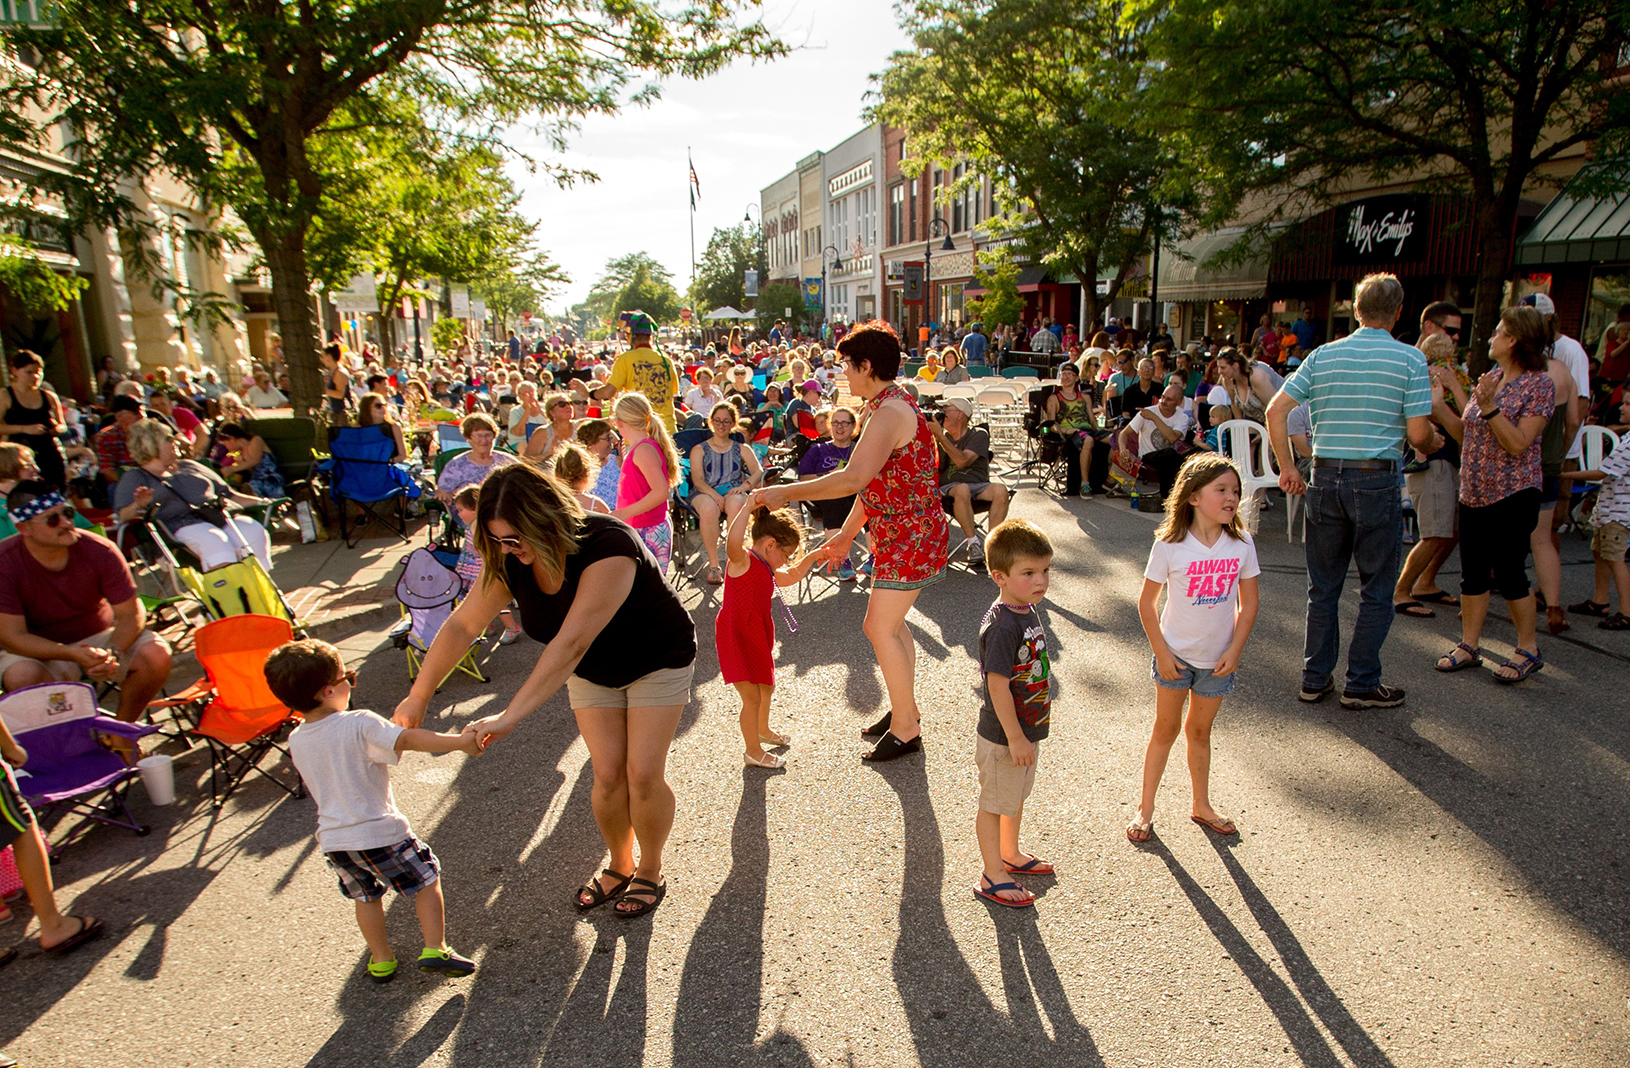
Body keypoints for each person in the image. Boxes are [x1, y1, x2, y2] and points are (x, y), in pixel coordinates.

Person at [395, 462, 698, 920]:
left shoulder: (608, 544)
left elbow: (571, 642)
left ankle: (651, 868)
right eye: (496, 540)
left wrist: (508, 716)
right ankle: (620, 863)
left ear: (545, 519)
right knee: (608, 773)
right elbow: (462, 624)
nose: (505, 550)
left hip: (656, 656)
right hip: (594, 668)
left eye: (514, 539)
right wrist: (419, 695)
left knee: (641, 773)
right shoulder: (509, 559)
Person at [756, 321, 949, 763]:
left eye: (847, 363)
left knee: (879, 627)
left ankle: (906, 727)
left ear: (866, 365)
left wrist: (787, 492)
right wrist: (844, 534)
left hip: (910, 535)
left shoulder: (889, 412)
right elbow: (876, 482)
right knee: (892, 626)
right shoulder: (885, 406)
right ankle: (907, 710)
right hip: (902, 533)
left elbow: (854, 478)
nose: (843, 371)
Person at [1267, 273, 1437, 709]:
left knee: (1322, 587)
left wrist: (1287, 467)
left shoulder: (1324, 355)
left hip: (1325, 474)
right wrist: (1433, 441)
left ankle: (1315, 676)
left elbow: (1277, 409)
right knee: (1376, 587)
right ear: (1398, 312)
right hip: (1376, 477)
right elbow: (1418, 435)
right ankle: (1361, 682)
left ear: (1356, 310)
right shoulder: (1410, 359)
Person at [266, 639, 479, 983]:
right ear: (328, 691)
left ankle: (381, 959)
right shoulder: (359, 722)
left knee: (366, 896)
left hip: (335, 841)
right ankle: (435, 948)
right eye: (347, 676)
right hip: (379, 831)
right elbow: (406, 741)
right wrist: (459, 742)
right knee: (426, 878)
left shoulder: (297, 739)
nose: (351, 682)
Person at [1128, 454, 1260, 844]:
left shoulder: (1241, 542)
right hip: (1175, 656)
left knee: (1200, 732)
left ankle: (1201, 805)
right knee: (1165, 730)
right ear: (1193, 497)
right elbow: (1146, 603)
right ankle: (1145, 808)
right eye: (1221, 490)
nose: (1231, 497)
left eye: (1235, 490)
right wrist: (1162, 653)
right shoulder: (1170, 545)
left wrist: (1235, 650)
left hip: (1218, 660)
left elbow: (1248, 603)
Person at [1428, 306, 1555, 683]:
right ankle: (1469, 644)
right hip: (1475, 490)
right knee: (1472, 573)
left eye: (1498, 332)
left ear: (1514, 339)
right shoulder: (1491, 377)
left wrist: (1489, 407)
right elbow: (1468, 436)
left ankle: (1528, 648)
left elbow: (1518, 443)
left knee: (1512, 572)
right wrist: (1439, 407)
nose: (1490, 338)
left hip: (1514, 492)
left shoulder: (1538, 385)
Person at [0, 481, 173, 725]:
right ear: (23, 528)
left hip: (98, 637)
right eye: (52, 520)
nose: (66, 523)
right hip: (38, 650)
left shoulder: (99, 549)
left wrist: (112, 651)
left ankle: (121, 733)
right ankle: (74, 745)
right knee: (21, 676)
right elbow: (12, 637)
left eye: (68, 513)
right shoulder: (5, 562)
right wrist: (69, 653)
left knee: (155, 654)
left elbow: (131, 613)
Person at [970, 519, 1056, 909]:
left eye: (1045, 571)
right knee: (994, 802)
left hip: (1025, 731)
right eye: (1028, 573)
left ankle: (1010, 853)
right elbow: (996, 684)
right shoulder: (1004, 625)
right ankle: (992, 873)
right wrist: (1017, 736)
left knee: (1014, 797)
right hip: (1007, 736)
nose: (1040, 581)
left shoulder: (1025, 608)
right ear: (999, 576)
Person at [717, 506, 820, 769]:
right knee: (751, 697)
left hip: (755, 633)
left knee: (766, 686)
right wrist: (746, 506)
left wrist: (816, 555)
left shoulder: (766, 566)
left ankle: (762, 729)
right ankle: (753, 751)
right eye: (786, 555)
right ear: (771, 543)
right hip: (737, 634)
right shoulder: (743, 560)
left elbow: (794, 574)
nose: (786, 561)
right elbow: (732, 543)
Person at [112, 419, 274, 571]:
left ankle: (259, 589)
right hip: (177, 527)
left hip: (216, 515)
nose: (174, 441)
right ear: (150, 445)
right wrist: (138, 505)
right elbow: (122, 516)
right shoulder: (136, 477)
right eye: (168, 439)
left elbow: (229, 495)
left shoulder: (190, 465)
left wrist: (265, 501)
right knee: (214, 540)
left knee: (252, 530)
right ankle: (226, 594)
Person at [1393, 312, 1467, 619]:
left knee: (1449, 530)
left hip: (1448, 459)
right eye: (1450, 334)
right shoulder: (1425, 376)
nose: (1456, 340)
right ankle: (1400, 591)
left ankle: (1426, 582)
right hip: (1431, 461)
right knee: (1435, 532)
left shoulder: (1450, 377)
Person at [1562, 393, 1630, 629]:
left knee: (1615, 558)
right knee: (1601, 554)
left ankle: (1627, 611)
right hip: (1609, 509)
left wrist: (1563, 475)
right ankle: (1600, 602)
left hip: (1618, 514)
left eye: (1628, 404)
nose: (1622, 407)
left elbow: (1602, 473)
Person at [929, 397, 1010, 565]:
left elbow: (962, 461)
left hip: (978, 485)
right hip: (951, 488)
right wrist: (936, 437)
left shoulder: (978, 434)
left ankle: (992, 546)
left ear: (960, 414)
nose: (941, 414)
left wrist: (940, 437)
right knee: (962, 489)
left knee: (1001, 490)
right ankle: (973, 543)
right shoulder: (937, 438)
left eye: (946, 410)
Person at [691, 402, 764, 585]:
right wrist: (714, 495)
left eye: (726, 421)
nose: (721, 425)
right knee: (709, 509)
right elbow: (698, 480)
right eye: (717, 420)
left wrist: (745, 486)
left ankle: (736, 561)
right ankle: (714, 566)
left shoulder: (741, 448)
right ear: (711, 422)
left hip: (733, 489)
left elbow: (758, 471)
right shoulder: (699, 449)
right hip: (704, 492)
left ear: (733, 423)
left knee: (738, 503)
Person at [608, 392, 681, 574]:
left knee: (646, 591)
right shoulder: (640, 446)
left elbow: (660, 492)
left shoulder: (643, 450)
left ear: (619, 422)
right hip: (643, 527)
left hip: (647, 529)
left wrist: (623, 513)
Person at [796, 405, 863, 580]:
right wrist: (827, 476)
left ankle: (874, 558)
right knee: (835, 499)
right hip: (824, 495)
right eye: (835, 423)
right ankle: (843, 562)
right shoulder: (817, 449)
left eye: (844, 423)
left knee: (869, 498)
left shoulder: (860, 450)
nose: (839, 427)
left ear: (853, 427)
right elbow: (803, 478)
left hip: (855, 496)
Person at [451, 485, 523, 644]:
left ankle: (511, 627)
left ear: (475, 507)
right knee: (481, 601)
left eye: (461, 509)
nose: (459, 513)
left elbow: (484, 551)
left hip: (480, 570)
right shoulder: (475, 525)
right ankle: (487, 625)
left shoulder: (478, 526)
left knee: (492, 601)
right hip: (473, 569)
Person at [594, 313, 681, 432]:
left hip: (639, 433)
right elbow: (672, 394)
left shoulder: (625, 359)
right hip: (667, 431)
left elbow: (608, 392)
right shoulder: (666, 360)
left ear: (633, 336)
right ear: (650, 336)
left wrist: (590, 394)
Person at [1120, 383, 1199, 501]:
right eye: (1163, 397)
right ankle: (1166, 497)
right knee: (1170, 454)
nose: (1163, 401)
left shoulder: (1182, 418)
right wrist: (1123, 449)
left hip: (1169, 457)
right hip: (1148, 457)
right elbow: (1123, 433)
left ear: (1178, 403)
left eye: (1169, 399)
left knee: (1194, 453)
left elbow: (1172, 438)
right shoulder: (1146, 412)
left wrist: (1154, 418)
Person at [1, 351, 67, 490]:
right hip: (20, 455)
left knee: (56, 488)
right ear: (15, 371)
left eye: (38, 372)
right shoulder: (5, 396)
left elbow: (63, 425)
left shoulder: (48, 396)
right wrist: (24, 428)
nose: (35, 376)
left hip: (49, 451)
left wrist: (57, 428)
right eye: (29, 372)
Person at [1043, 362, 1110, 496]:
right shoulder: (1054, 398)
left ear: (1076, 378)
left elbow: (1091, 419)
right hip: (1069, 433)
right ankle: (1085, 485)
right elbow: (1051, 424)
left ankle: (1110, 481)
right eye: (1063, 374)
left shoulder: (1085, 397)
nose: (1066, 377)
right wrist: (1067, 431)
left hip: (1088, 430)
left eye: (1070, 375)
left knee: (1117, 438)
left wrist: (1101, 430)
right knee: (1089, 440)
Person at [435, 414, 518, 503]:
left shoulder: (507, 461)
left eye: (488, 435)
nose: (484, 440)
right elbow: (442, 492)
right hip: (469, 511)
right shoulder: (456, 466)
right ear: (468, 438)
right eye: (479, 436)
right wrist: (443, 495)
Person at [215, 423, 287, 500]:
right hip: (256, 479)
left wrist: (232, 468)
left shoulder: (255, 440)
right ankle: (256, 499)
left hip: (271, 476)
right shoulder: (240, 454)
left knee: (268, 485)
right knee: (253, 486)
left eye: (225, 444)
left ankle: (276, 503)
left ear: (231, 439)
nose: (226, 447)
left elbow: (254, 460)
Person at [577, 418, 622, 510]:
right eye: (607, 438)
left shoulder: (617, 462)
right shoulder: (579, 466)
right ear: (591, 442)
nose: (611, 441)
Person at [354, 392, 409, 463]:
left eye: (384, 405)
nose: (383, 409)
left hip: (389, 466)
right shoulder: (357, 428)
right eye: (378, 406)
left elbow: (403, 455)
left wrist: (387, 461)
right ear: (367, 408)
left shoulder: (394, 427)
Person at [522, 393, 576, 462]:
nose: (568, 406)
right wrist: (549, 454)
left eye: (570, 403)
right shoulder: (542, 433)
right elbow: (526, 461)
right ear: (552, 412)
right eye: (562, 404)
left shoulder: (581, 426)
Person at [321, 343, 352, 422]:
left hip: (341, 413)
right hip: (336, 413)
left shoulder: (339, 373)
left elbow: (340, 394)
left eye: (323, 356)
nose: (322, 359)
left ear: (329, 356)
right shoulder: (334, 372)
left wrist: (324, 391)